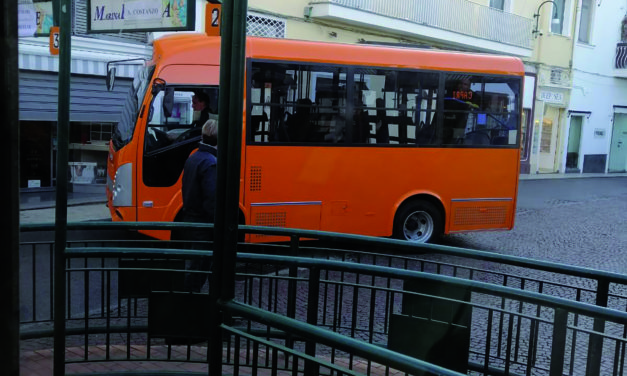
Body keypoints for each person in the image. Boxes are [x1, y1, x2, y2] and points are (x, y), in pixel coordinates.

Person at [181, 119, 218, 292]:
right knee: (200, 269)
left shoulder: (193, 157)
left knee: (196, 266)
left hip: (191, 219)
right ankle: (192, 307)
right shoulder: (211, 162)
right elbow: (211, 199)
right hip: (204, 226)